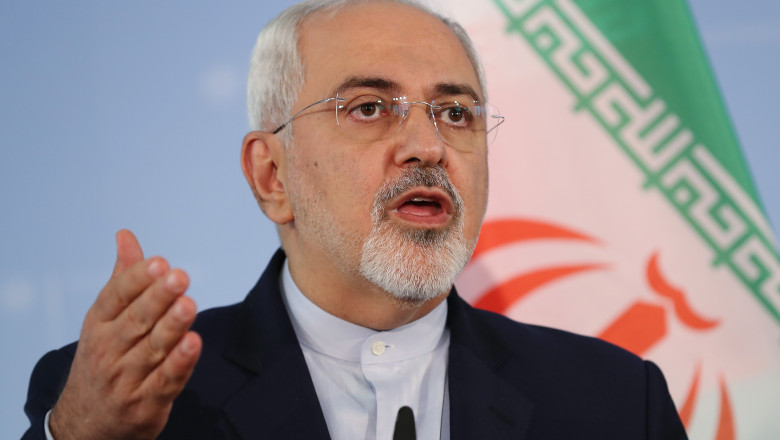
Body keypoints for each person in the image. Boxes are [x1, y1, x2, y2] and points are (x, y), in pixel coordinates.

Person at [22, 0, 688, 439]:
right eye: (370, 108)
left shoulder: (619, 403)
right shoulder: (122, 399)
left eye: (455, 113)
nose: (429, 146)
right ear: (271, 175)